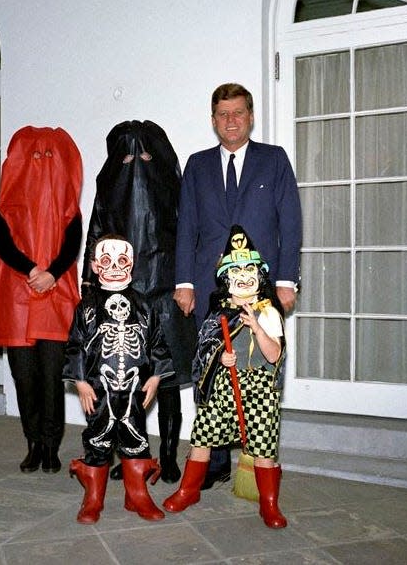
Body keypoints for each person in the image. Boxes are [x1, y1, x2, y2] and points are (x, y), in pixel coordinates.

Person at [173, 83, 302, 489]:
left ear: (251, 117)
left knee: (257, 368)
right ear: (213, 121)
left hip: (260, 287)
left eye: (238, 113)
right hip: (207, 284)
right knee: (211, 366)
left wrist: (286, 280)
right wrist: (183, 282)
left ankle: (256, 456)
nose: (231, 120)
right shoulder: (196, 164)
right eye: (223, 114)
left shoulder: (274, 160)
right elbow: (186, 226)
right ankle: (212, 463)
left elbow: (291, 222)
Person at [83, 120, 196, 484]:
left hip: (166, 292)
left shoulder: (174, 188)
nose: (138, 163)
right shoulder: (108, 189)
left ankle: (167, 454)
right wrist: (89, 285)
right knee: (123, 382)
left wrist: (186, 283)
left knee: (166, 379)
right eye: (129, 156)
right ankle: (133, 451)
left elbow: (188, 234)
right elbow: (96, 234)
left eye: (146, 154)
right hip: (120, 296)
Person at [164, 225, 288, 528]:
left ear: (259, 276)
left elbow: (274, 355)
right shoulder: (218, 315)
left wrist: (257, 327)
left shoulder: (269, 313)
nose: (243, 276)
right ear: (226, 279)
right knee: (203, 436)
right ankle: (188, 490)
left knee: (263, 446)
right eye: (236, 271)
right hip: (224, 385)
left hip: (260, 388)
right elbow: (204, 351)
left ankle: (269, 504)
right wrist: (220, 358)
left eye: (249, 270)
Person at [0, 126, 83, 474]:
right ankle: (33, 443)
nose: (41, 162)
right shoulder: (7, 204)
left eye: (49, 156)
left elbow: (72, 243)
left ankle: (51, 444)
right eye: (34, 156)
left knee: (51, 376)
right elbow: (1, 241)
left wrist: (52, 274)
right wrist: (31, 269)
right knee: (24, 376)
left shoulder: (68, 205)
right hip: (17, 298)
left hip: (54, 298)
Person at [65, 235, 174, 524]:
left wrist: (155, 378)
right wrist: (80, 381)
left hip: (135, 388)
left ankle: (136, 494)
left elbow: (157, 343)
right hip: (99, 388)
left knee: (135, 438)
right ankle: (93, 498)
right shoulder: (86, 307)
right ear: (94, 266)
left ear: (132, 264)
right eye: (106, 260)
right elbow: (75, 345)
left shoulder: (143, 305)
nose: (114, 266)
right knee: (98, 439)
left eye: (122, 260)